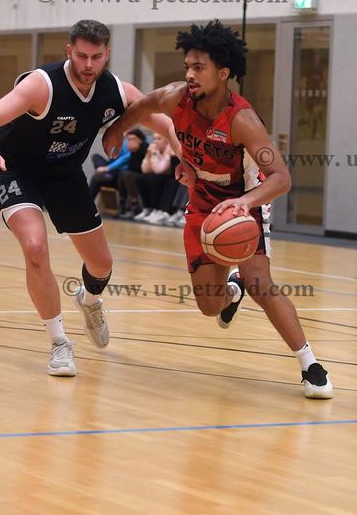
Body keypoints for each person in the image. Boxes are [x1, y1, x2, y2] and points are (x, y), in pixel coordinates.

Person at [103, 20, 333, 399]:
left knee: (260, 282)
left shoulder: (243, 121)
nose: (190, 75)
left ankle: (310, 364)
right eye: (188, 67)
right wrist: (116, 130)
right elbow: (142, 106)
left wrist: (245, 203)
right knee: (210, 306)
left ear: (223, 73)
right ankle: (231, 292)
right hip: (201, 201)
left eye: (199, 68)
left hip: (245, 200)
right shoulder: (175, 97)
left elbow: (281, 178)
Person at [0, 19, 189, 377]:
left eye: (96, 57)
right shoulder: (42, 85)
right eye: (82, 56)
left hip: (65, 174)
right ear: (70, 52)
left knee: (101, 264)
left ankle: (89, 300)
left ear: (107, 54)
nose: (88, 65)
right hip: (16, 169)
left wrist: (185, 158)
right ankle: (59, 342)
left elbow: (164, 123)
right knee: (35, 247)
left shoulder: (115, 90)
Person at [134, 133, 173, 223]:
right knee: (140, 178)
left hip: (170, 178)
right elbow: (144, 169)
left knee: (153, 178)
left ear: (166, 141)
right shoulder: (154, 150)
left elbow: (159, 170)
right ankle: (148, 208)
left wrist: (154, 153)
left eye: (159, 139)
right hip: (159, 177)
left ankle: (158, 210)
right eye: (154, 139)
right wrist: (148, 155)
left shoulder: (169, 149)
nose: (155, 142)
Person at [116, 128, 148, 218]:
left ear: (140, 140)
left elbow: (142, 169)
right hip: (134, 175)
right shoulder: (133, 151)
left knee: (127, 175)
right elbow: (131, 167)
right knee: (123, 174)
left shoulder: (145, 148)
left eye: (133, 139)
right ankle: (122, 205)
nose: (130, 141)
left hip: (145, 175)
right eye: (129, 139)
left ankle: (135, 206)